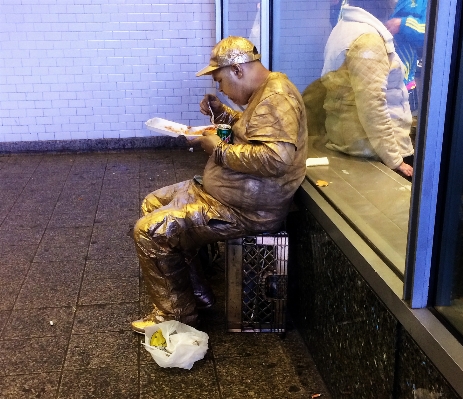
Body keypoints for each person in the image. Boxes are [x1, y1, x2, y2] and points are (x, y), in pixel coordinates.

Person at [131, 36, 308, 333]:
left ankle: (175, 315)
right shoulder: (265, 92)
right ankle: (196, 296)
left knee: (151, 231)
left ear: (238, 70)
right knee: (152, 203)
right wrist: (223, 113)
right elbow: (252, 129)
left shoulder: (276, 97)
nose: (221, 89)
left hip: (245, 209)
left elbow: (275, 159)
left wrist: (217, 149)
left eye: (221, 82)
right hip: (229, 193)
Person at [321, 0, 414, 178]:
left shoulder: (346, 27)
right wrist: (395, 160)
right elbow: (372, 104)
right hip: (375, 153)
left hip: (355, 144)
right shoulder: (367, 39)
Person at [385, 0, 427, 113]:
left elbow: (432, 31)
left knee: (408, 125)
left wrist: (403, 24)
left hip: (405, 79)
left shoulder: (423, 2)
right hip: (373, 78)